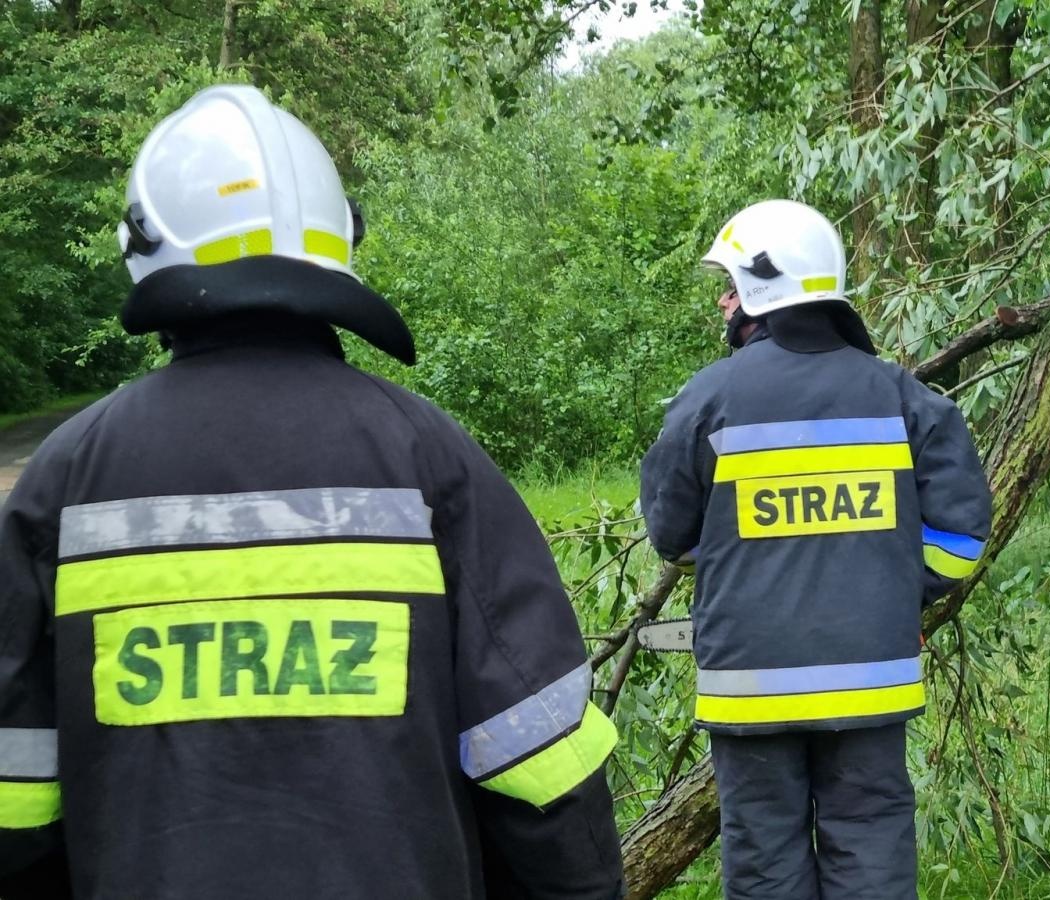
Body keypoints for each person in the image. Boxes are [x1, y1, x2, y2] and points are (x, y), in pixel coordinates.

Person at [0, 84, 624, 899]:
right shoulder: (428, 455)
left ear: (144, 242)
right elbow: (544, 773)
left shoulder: (65, 477)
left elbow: (15, 806)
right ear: (340, 240)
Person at [639, 199, 993, 899]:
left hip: (749, 692)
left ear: (765, 292)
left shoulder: (707, 398)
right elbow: (959, 543)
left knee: (766, 864)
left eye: (733, 286)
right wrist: (891, 589)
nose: (722, 300)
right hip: (871, 681)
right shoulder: (902, 397)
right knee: (872, 851)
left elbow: (672, 538)